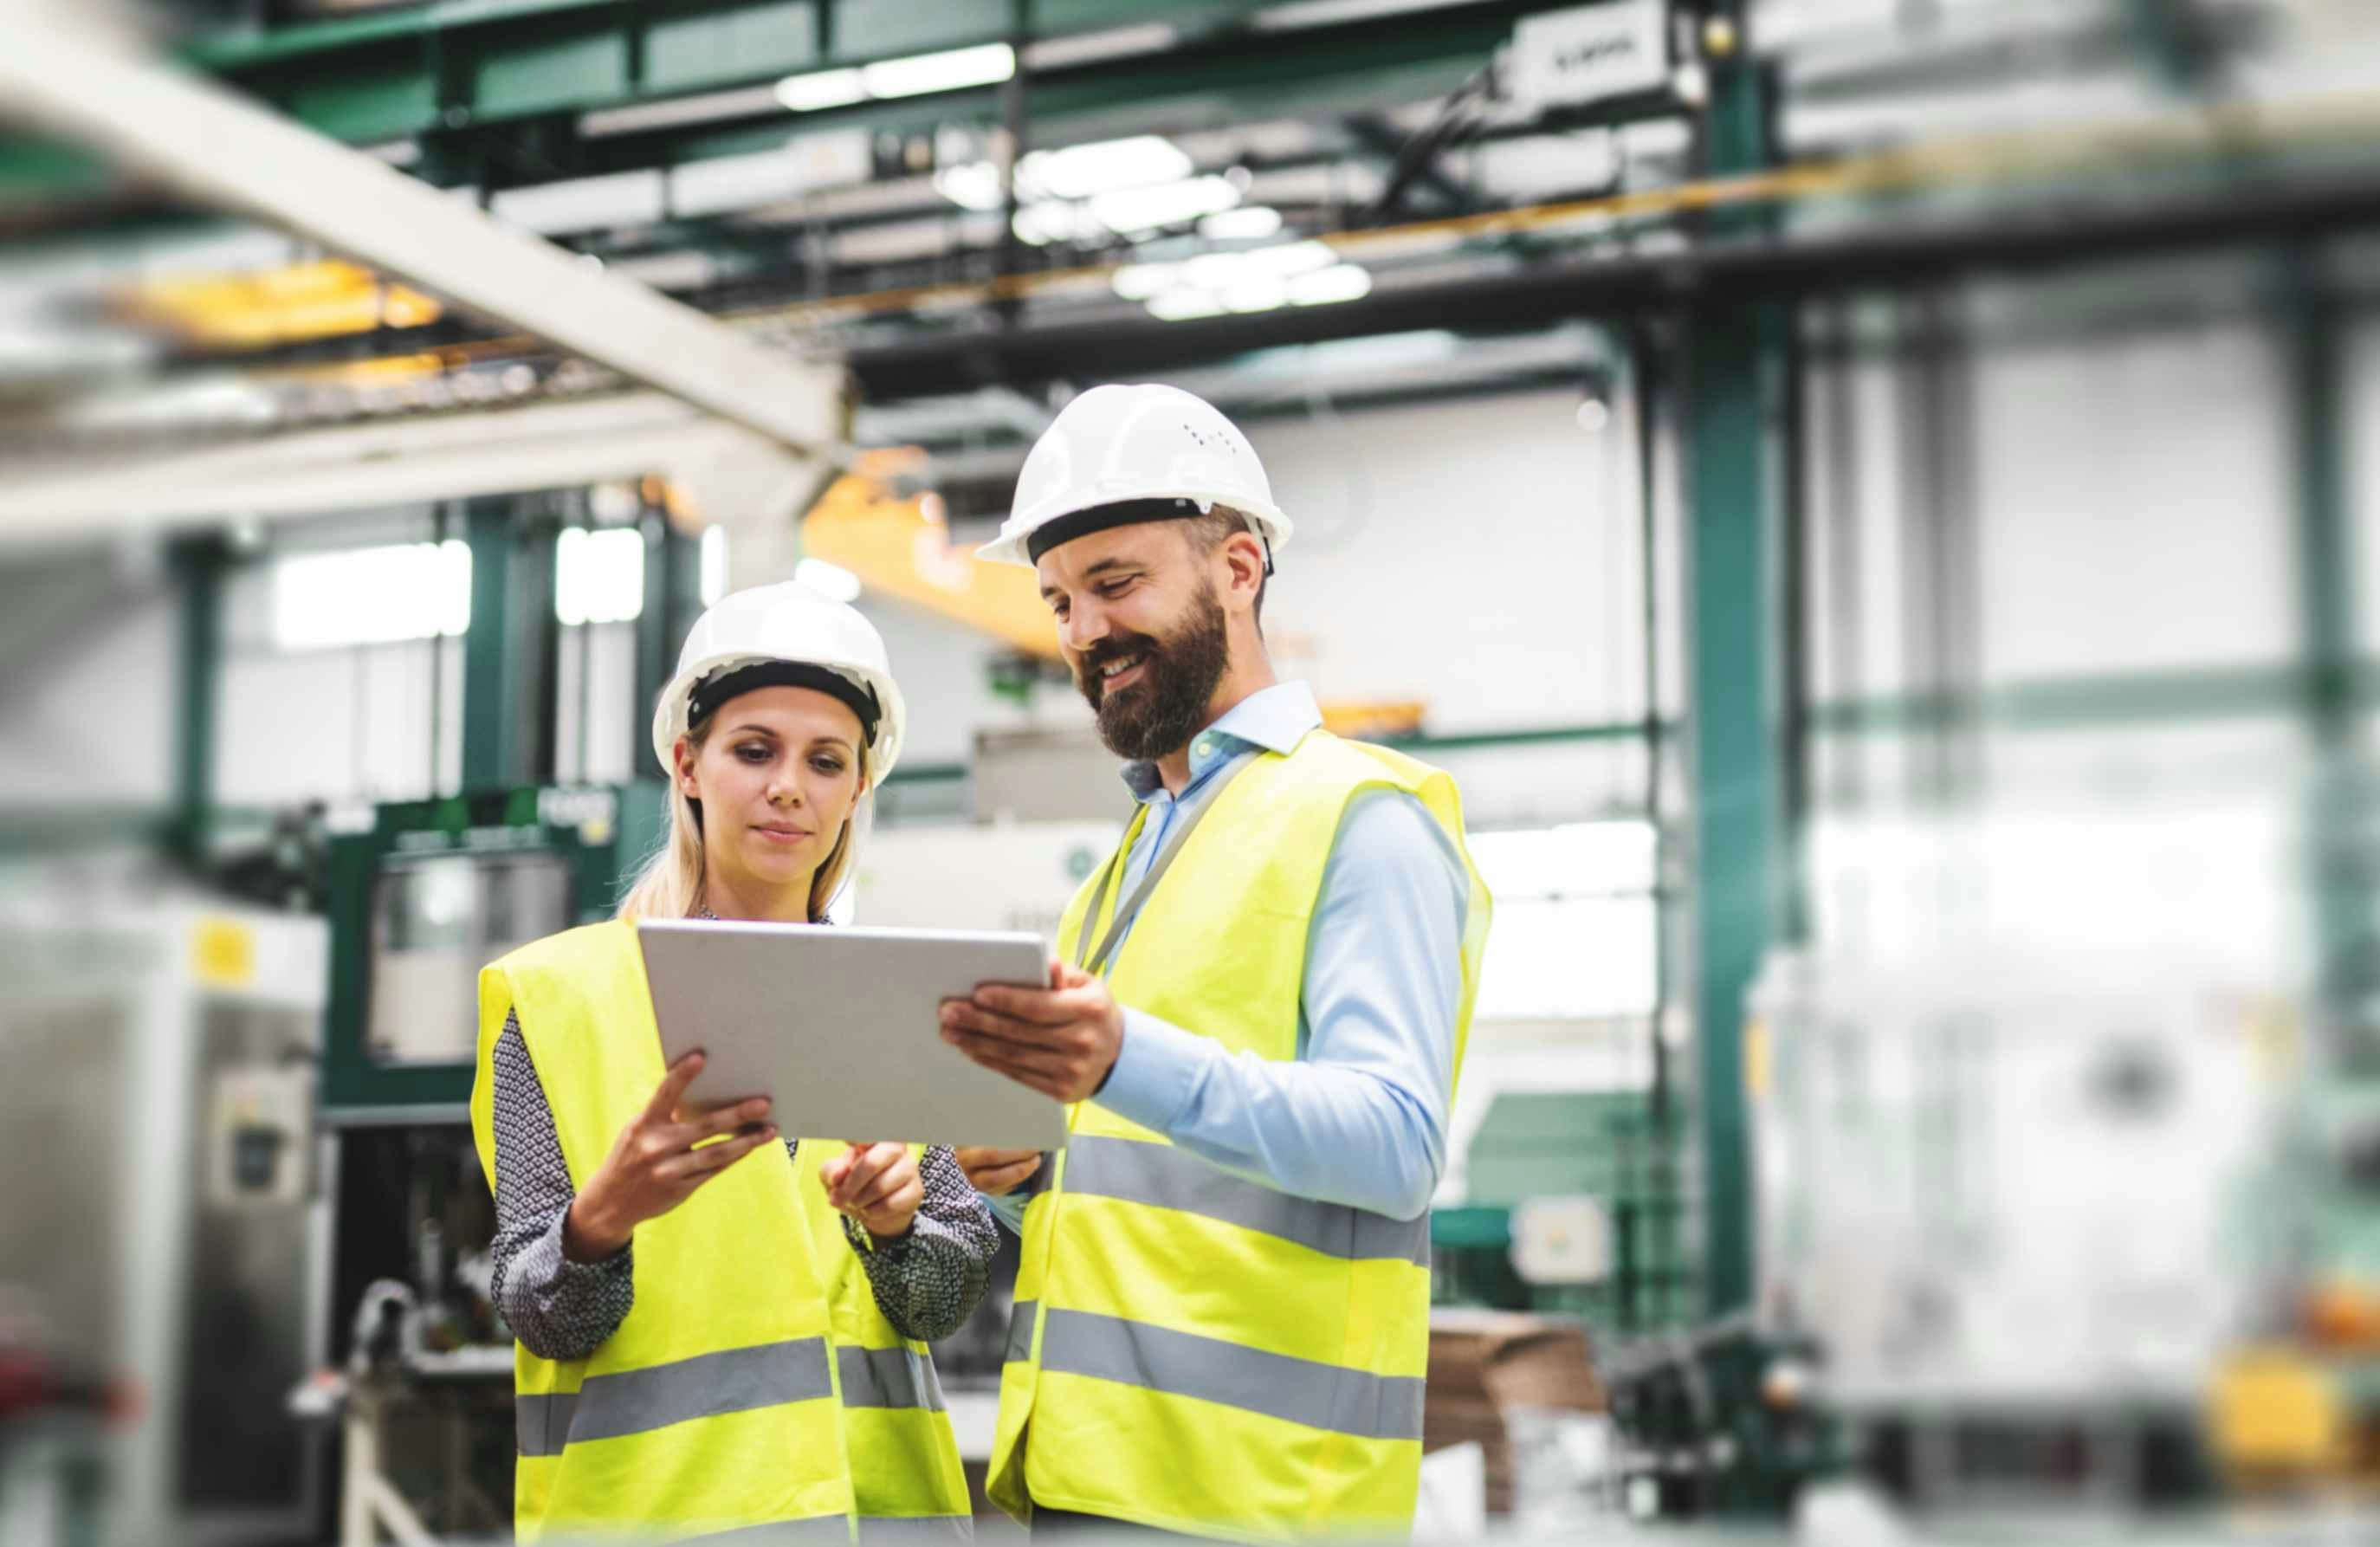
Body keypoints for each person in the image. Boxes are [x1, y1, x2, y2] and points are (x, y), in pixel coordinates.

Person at [941, 384, 1491, 1540]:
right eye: (1058, 601)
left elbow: (1396, 1145)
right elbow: (1163, 1166)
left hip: (1261, 1499)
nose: (1084, 632)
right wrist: (1031, 1173)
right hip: (1094, 1477)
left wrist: (1117, 1059)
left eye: (1116, 583)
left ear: (1238, 567)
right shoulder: (1129, 861)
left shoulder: (1364, 815)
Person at [470, 581, 997, 1544]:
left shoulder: (899, 997)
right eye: (754, 750)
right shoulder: (559, 1001)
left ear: (856, 788)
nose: (789, 785)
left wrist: (899, 1228)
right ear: (689, 764)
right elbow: (538, 1313)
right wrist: (599, 1223)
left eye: (825, 760)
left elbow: (945, 1299)